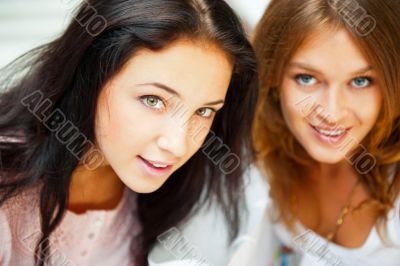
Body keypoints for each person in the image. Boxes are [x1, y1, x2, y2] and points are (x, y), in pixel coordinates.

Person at [0, 0, 258, 265]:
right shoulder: (8, 185)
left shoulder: (182, 190)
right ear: (91, 75)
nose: (178, 145)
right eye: (153, 100)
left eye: (204, 111)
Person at [230, 0, 400, 265]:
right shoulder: (258, 155)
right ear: (272, 73)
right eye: (306, 78)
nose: (332, 113)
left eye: (360, 81)